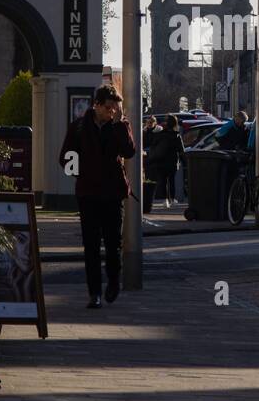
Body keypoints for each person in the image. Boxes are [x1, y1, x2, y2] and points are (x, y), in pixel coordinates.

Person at [58, 85, 136, 309]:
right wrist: (81, 172)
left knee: (113, 243)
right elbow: (65, 157)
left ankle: (113, 280)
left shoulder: (119, 126)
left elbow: (129, 151)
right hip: (88, 193)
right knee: (90, 245)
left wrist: (121, 124)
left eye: (116, 108)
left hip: (112, 193)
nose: (112, 112)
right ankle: (94, 293)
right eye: (109, 108)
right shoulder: (80, 127)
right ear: (97, 105)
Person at [148, 115, 186, 209]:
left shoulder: (160, 134)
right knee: (171, 181)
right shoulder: (176, 135)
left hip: (161, 161)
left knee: (163, 181)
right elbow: (181, 150)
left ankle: (165, 200)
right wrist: (184, 161)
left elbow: (153, 146)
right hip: (172, 161)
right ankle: (172, 200)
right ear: (174, 124)